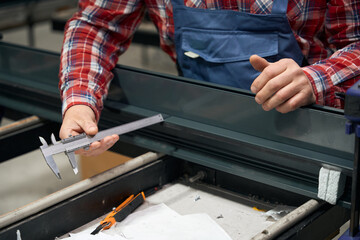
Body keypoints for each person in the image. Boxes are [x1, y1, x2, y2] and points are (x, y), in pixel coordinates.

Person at [58, 0, 360, 156]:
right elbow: (97, 25)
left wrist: (316, 79)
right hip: (201, 134)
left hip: (308, 141)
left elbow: (356, 42)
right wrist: (80, 102)